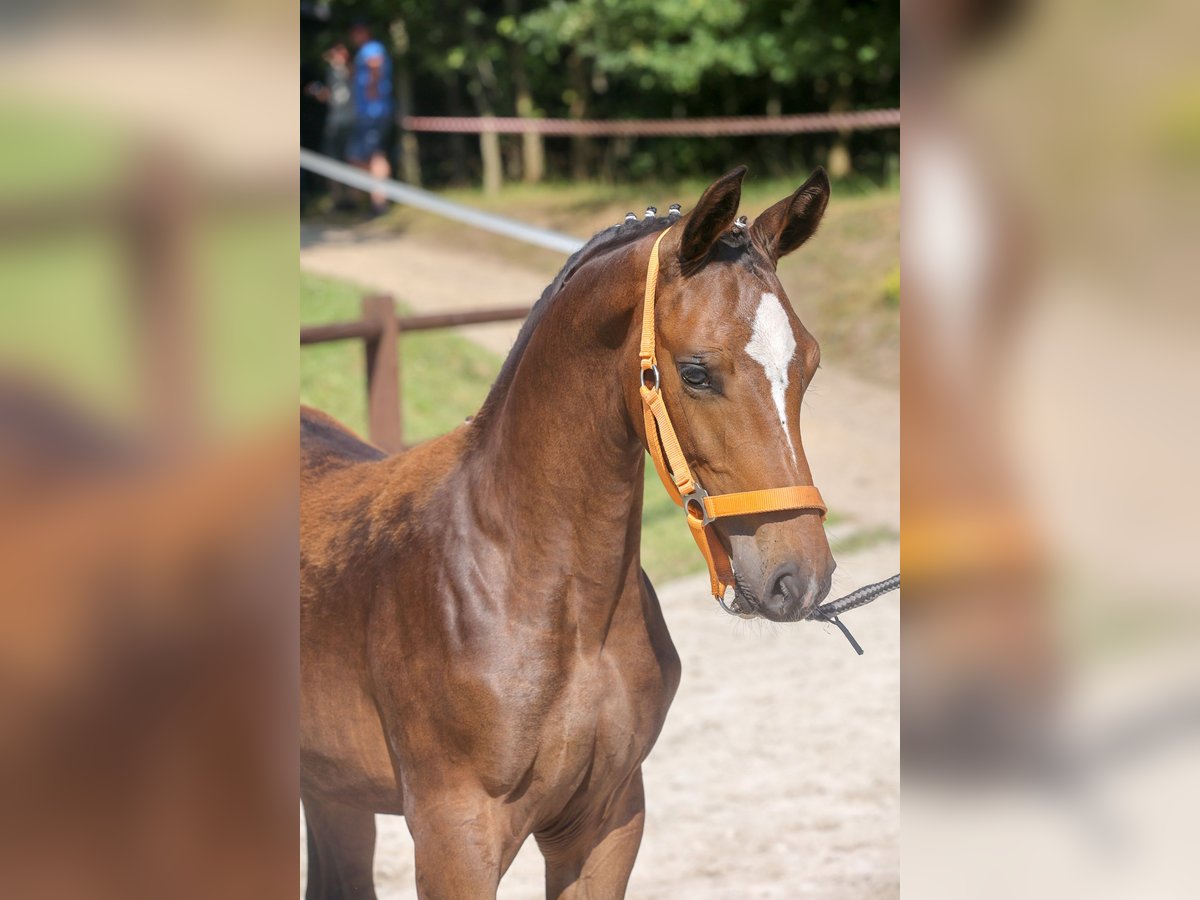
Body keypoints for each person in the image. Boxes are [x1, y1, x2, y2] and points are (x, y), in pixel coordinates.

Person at [347, 20, 393, 216]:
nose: (355, 36)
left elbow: (376, 64)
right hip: (367, 112)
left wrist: (372, 88)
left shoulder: (372, 48)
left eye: (358, 32)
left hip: (374, 111)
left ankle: (379, 202)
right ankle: (372, 198)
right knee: (359, 156)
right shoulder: (363, 51)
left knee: (374, 156)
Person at [305, 42, 356, 209]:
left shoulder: (352, 67)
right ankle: (337, 200)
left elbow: (355, 80)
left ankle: (352, 200)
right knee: (332, 161)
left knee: (352, 160)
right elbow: (328, 97)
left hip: (351, 121)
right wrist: (317, 92)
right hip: (334, 122)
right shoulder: (328, 72)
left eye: (338, 52)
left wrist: (343, 64)